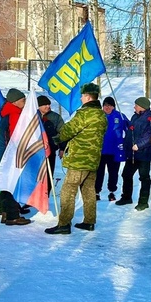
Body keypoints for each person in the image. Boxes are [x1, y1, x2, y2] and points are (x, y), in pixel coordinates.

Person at [45, 83, 107, 234]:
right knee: (88, 191)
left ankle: (64, 224)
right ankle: (89, 221)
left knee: (68, 191)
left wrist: (55, 138)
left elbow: (67, 131)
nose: (80, 97)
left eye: (82, 95)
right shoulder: (101, 115)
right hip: (93, 160)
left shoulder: (84, 114)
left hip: (79, 159)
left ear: (87, 96)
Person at [0, 88, 31, 225]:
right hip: (12, 155)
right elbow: (17, 137)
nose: (25, 102)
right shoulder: (14, 114)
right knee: (12, 184)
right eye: (23, 100)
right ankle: (12, 216)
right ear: (15, 102)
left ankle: (5, 212)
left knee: (6, 184)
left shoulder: (8, 112)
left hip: (5, 154)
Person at [118, 97, 151, 210]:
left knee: (144, 177)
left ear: (142, 106)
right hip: (132, 154)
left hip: (144, 153)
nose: (134, 107)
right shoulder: (135, 116)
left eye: (136, 105)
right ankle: (126, 197)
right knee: (126, 174)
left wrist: (139, 145)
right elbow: (131, 132)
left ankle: (143, 202)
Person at [96, 96, 128, 202]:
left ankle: (112, 192)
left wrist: (125, 141)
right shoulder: (98, 116)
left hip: (115, 150)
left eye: (109, 105)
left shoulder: (120, 116)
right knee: (99, 172)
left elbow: (129, 129)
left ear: (113, 106)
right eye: (105, 105)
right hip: (100, 150)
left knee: (113, 172)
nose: (107, 107)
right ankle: (96, 192)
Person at [38, 95, 65, 194]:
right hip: (35, 152)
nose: (48, 106)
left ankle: (46, 194)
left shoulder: (55, 117)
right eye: (45, 104)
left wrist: (62, 148)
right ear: (39, 106)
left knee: (49, 174)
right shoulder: (32, 116)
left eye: (48, 104)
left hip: (50, 151)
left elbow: (62, 133)